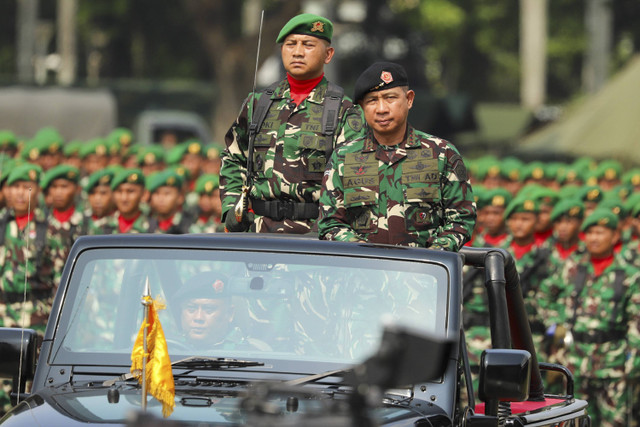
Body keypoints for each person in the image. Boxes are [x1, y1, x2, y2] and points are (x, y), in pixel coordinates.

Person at [220, 13, 366, 234]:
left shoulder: (344, 112)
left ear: (328, 55)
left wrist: (337, 232)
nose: (297, 52)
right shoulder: (258, 104)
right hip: (258, 233)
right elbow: (233, 157)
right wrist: (233, 208)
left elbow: (358, 180)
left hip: (317, 236)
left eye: (308, 45)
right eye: (291, 44)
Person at [318, 62, 476, 249]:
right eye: (372, 101)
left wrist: (431, 255)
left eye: (390, 98)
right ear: (361, 107)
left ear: (409, 99)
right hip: (361, 272)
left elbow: (461, 219)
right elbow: (330, 223)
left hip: (422, 272)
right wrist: (364, 254)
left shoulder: (442, 154)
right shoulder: (343, 158)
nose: (382, 109)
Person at [540, 208, 640, 425]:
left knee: (614, 421)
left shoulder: (630, 274)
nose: (594, 238)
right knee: (573, 420)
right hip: (573, 360)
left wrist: (633, 360)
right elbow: (544, 295)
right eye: (591, 233)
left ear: (614, 236)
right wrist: (556, 325)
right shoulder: (572, 268)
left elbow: (637, 321)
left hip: (613, 364)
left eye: (601, 233)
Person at [171, 271, 268, 351]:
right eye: (191, 309)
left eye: (208, 310)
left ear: (229, 314)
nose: (198, 317)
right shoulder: (167, 349)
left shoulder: (247, 354)